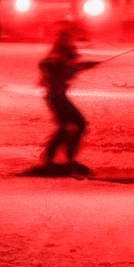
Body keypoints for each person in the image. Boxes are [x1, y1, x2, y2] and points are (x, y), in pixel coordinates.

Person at [35, 27, 97, 172]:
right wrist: (65, 68)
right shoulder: (58, 54)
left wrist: (83, 66)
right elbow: (46, 64)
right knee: (69, 125)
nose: (71, 42)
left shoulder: (66, 54)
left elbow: (72, 67)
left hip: (59, 96)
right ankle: (52, 159)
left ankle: (66, 159)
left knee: (76, 124)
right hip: (55, 96)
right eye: (68, 39)